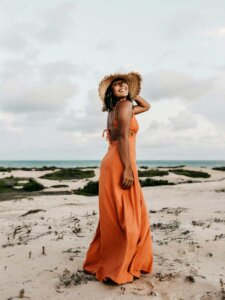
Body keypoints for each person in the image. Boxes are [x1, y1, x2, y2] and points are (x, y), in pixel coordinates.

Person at [82, 71, 154, 285]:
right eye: (117, 85)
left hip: (113, 162)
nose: (122, 86)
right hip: (120, 164)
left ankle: (112, 258)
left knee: (115, 216)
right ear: (111, 92)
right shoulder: (123, 106)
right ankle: (121, 265)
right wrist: (129, 169)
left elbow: (147, 106)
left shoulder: (119, 108)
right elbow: (123, 137)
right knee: (127, 215)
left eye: (124, 84)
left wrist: (132, 93)